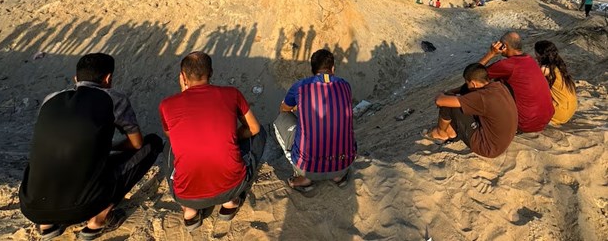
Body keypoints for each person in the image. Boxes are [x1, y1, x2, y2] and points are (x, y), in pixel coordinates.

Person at [19, 53, 163, 240]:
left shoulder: (50, 99)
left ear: (76, 79)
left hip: (31, 206)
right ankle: (97, 221)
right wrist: (112, 146)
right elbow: (136, 143)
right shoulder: (113, 98)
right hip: (82, 206)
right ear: (108, 78)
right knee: (152, 144)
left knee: (51, 156)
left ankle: (47, 225)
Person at [159, 52, 266, 231]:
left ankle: (190, 212)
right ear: (211, 73)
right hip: (232, 187)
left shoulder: (166, 105)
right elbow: (254, 128)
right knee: (260, 132)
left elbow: (171, 135)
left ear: (183, 76)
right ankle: (230, 204)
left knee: (169, 145)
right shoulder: (231, 94)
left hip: (186, 195)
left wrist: (184, 94)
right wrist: (233, 136)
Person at [273, 49, 356, 193]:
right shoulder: (345, 85)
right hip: (344, 163)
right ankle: (339, 177)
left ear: (312, 70)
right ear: (333, 68)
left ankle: (304, 178)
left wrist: (298, 108)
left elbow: (284, 109)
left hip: (308, 167)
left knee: (281, 119)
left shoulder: (300, 86)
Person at [422, 63, 517, 158]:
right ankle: (451, 131)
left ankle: (441, 133)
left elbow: (439, 101)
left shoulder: (482, 97)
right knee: (458, 98)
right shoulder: (499, 86)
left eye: (467, 83)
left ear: (473, 83)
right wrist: (453, 91)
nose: (467, 85)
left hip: (487, 148)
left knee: (448, 103)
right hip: (502, 142)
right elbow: (466, 89)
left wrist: (442, 94)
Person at [479, 32, 554, 132]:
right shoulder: (530, 60)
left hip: (526, 123)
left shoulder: (508, 65)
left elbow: (474, 73)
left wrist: (491, 53)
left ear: (504, 46)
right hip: (545, 119)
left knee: (493, 86)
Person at [534, 41, 577, 125]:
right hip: (571, 108)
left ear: (541, 55)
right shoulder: (559, 65)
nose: (535, 56)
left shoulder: (545, 69)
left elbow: (529, 81)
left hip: (561, 111)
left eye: (536, 54)